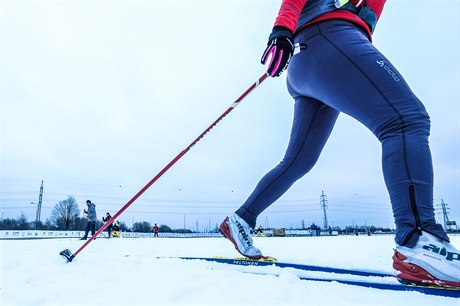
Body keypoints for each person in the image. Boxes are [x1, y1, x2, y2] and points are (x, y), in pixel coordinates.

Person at [219, 0, 460, 288]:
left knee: (299, 161)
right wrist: (281, 30)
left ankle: (242, 219)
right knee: (406, 120)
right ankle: (419, 242)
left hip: (312, 58)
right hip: (327, 38)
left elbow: (369, 15)